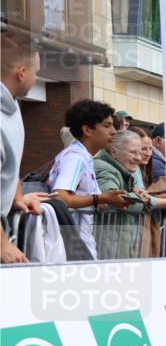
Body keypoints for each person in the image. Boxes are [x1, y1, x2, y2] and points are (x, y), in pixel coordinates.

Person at [49, 100, 131, 259]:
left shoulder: (82, 157)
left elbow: (82, 198)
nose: (114, 131)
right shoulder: (75, 158)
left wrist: (114, 200)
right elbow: (60, 197)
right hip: (72, 247)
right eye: (107, 126)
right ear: (87, 130)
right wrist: (103, 198)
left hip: (76, 243)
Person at [1, 30, 44, 263]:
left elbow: (11, 162)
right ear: (22, 73)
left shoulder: (13, 105)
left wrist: (16, 195)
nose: (37, 78)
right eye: (36, 72)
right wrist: (1, 243)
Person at [94, 130, 157, 259]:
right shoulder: (104, 168)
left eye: (140, 152)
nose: (139, 158)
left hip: (120, 243)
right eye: (133, 152)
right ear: (113, 152)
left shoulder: (124, 168)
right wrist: (139, 198)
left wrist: (138, 196)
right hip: (107, 247)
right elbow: (113, 199)